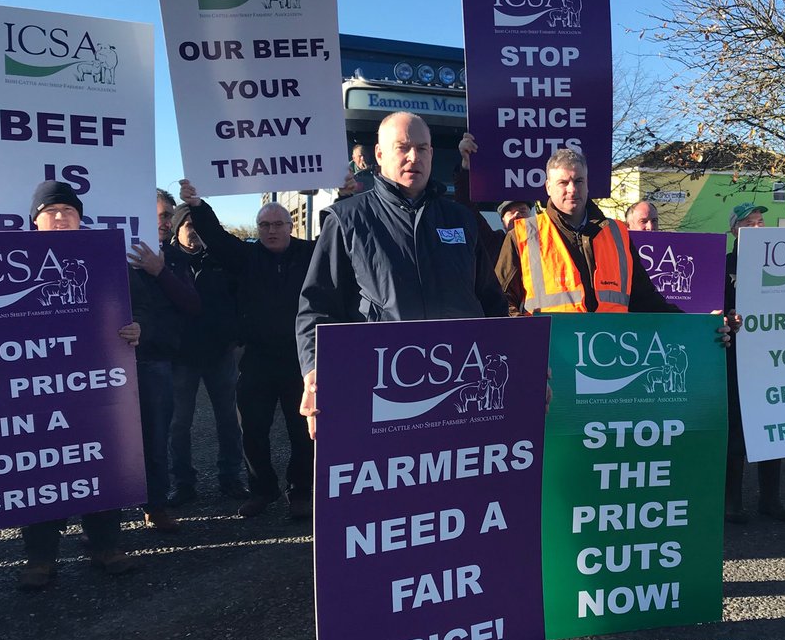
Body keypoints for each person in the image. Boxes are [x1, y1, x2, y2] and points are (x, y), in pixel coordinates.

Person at [296, 111, 510, 436]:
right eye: (403, 147)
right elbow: (316, 310)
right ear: (379, 154)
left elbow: (491, 304)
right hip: (382, 395)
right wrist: (314, 370)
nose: (414, 157)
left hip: (461, 392)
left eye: (423, 148)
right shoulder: (347, 220)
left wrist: (521, 363)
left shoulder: (461, 220)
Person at [18, 181, 141, 589]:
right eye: (50, 212)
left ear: (79, 219)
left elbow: (136, 310)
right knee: (41, 468)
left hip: (96, 387)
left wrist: (138, 328)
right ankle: (40, 558)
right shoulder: (6, 263)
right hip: (34, 392)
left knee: (99, 463)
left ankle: (106, 547)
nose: (59, 218)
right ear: (35, 221)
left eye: (68, 212)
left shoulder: (106, 260)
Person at [181, 181, 316, 519]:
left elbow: (338, 236)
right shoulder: (246, 256)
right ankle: (262, 490)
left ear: (291, 226)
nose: (272, 230)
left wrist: (344, 196)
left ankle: (301, 492)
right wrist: (197, 205)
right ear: (258, 229)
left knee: (303, 432)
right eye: (265, 225)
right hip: (257, 357)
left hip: (301, 359)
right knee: (252, 429)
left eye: (278, 224)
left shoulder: (310, 254)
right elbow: (216, 236)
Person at [494, 148, 686, 316]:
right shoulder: (522, 235)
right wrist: (524, 334)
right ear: (548, 187)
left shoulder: (617, 233)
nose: (572, 189)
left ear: (587, 185)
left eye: (579, 181)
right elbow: (499, 302)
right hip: (550, 352)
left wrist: (700, 323)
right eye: (563, 182)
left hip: (610, 351)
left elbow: (646, 300)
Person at [127, 190, 201, 533]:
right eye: (160, 216)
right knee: (111, 442)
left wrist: (160, 272)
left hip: (157, 361)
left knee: (156, 440)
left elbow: (191, 305)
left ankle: (155, 506)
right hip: (113, 363)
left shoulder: (173, 258)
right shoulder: (115, 255)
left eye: (169, 215)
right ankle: (103, 521)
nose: (167, 222)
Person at [166, 202, 248, 505]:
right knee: (178, 423)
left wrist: (235, 335)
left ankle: (231, 478)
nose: (196, 232)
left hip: (220, 353)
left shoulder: (221, 259)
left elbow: (241, 296)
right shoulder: (166, 261)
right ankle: (183, 483)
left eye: (200, 225)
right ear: (177, 230)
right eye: (189, 225)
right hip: (181, 357)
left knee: (229, 419)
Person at [723, 202, 785, 522]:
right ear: (735, 230)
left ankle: (770, 499)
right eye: (749, 223)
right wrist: (727, 317)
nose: (758, 228)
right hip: (735, 361)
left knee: (774, 431)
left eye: (761, 222)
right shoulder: (723, 265)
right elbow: (709, 310)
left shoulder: (780, 265)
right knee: (735, 435)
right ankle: (732, 504)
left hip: (772, 361)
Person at [454, 131, 533, 264]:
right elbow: (466, 209)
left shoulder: (548, 243)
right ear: (502, 222)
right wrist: (467, 168)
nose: (518, 213)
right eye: (511, 212)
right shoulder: (494, 244)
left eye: (523, 210)